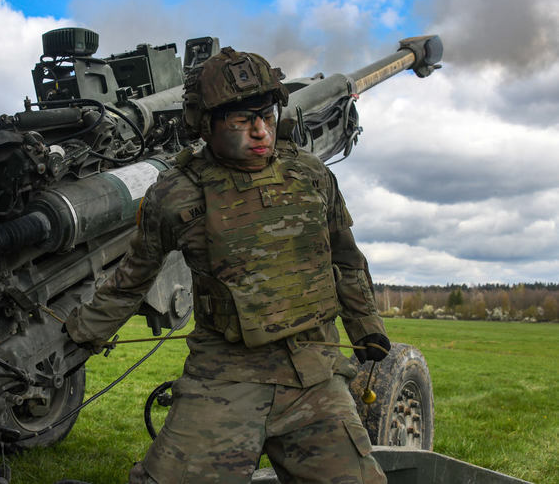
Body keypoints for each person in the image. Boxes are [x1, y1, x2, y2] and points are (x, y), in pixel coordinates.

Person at [64, 47, 390, 484]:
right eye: (241, 121)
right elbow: (131, 280)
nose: (261, 132)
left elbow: (347, 260)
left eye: (266, 116)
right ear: (208, 125)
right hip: (224, 377)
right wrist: (81, 335)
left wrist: (367, 327)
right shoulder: (174, 194)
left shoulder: (311, 176)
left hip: (315, 372)